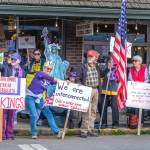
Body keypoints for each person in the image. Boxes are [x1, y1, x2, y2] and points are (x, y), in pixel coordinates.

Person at [26, 61, 61, 139]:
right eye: (47, 68)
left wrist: (66, 82)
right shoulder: (40, 73)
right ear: (44, 68)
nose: (48, 70)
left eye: (50, 69)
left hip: (40, 98)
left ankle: (56, 131)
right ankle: (34, 133)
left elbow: (59, 83)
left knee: (48, 113)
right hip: (30, 96)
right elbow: (51, 78)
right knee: (34, 115)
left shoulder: (49, 78)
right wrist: (56, 80)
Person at [79, 49, 101, 138]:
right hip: (87, 89)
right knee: (86, 111)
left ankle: (90, 129)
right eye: (89, 56)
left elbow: (102, 74)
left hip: (95, 90)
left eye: (92, 56)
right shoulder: (83, 66)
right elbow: (79, 78)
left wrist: (109, 68)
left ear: (95, 58)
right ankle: (84, 130)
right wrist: (81, 87)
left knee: (93, 111)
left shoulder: (97, 66)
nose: (90, 58)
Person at [128, 55, 149, 128]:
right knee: (133, 106)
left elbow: (147, 79)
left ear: (139, 62)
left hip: (142, 90)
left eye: (135, 61)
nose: (133, 62)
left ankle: (141, 122)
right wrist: (135, 84)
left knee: (141, 106)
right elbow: (130, 79)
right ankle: (133, 123)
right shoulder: (131, 69)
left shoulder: (144, 69)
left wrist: (141, 84)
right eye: (133, 61)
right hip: (134, 90)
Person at [98, 58, 119, 128]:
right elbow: (101, 75)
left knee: (114, 106)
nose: (111, 64)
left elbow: (120, 79)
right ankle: (104, 123)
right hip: (105, 90)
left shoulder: (118, 69)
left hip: (114, 90)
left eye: (112, 62)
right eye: (109, 62)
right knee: (103, 105)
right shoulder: (105, 69)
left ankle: (115, 123)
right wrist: (108, 69)